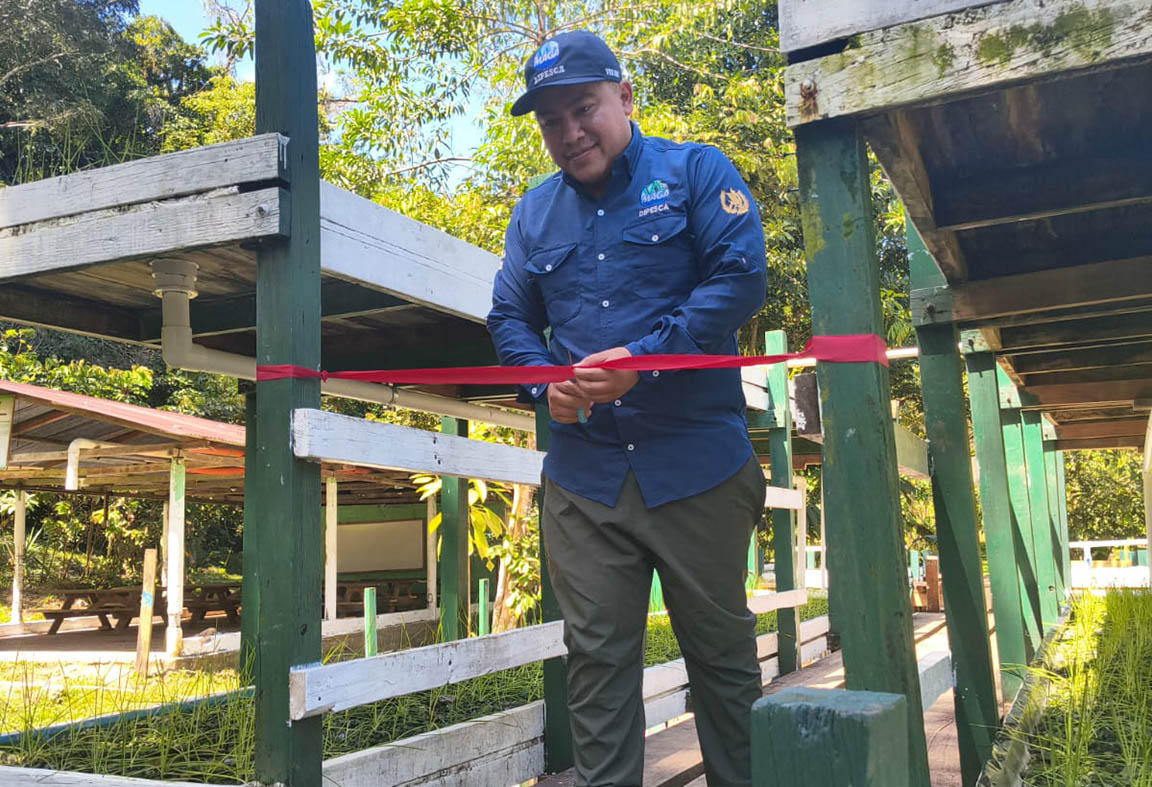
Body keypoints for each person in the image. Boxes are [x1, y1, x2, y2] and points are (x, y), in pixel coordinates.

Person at [487, 30, 768, 787]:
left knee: (722, 660)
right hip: (586, 482)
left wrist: (642, 361)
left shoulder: (695, 171)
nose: (570, 132)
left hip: (698, 467)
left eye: (584, 108)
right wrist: (545, 383)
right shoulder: (533, 215)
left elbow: (741, 275)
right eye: (551, 121)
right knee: (596, 667)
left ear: (625, 97)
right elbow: (509, 316)